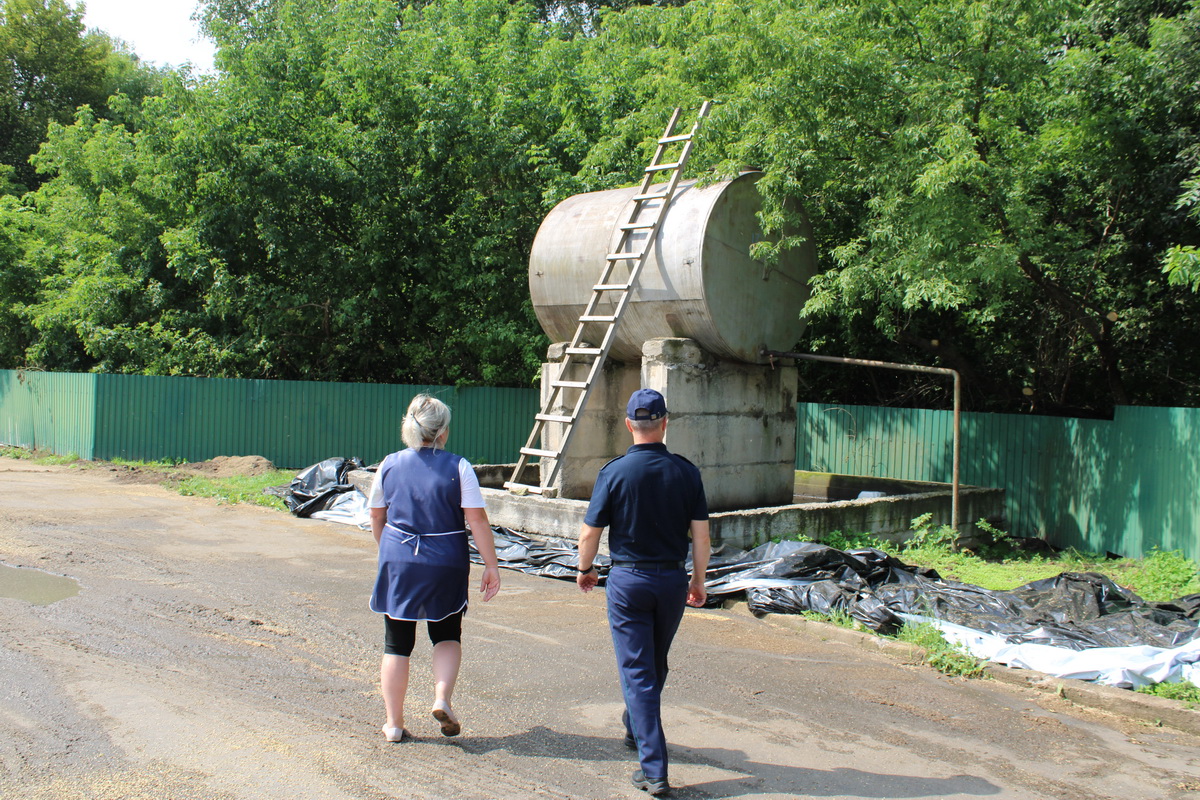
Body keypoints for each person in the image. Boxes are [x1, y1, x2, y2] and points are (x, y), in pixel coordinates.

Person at [576, 388, 711, 797]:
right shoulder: (686, 472)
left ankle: (654, 771)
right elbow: (701, 537)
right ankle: (637, 728)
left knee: (640, 671)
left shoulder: (614, 473)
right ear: (665, 423)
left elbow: (589, 533)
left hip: (628, 583)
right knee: (654, 664)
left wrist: (585, 570)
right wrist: (698, 579)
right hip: (671, 581)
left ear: (629, 424)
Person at [368, 394, 501, 742]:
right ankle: (441, 698)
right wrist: (492, 565)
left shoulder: (388, 464)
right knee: (446, 634)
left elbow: (376, 516)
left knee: (396, 642)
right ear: (443, 431)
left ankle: (393, 724)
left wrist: (389, 553)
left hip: (399, 559)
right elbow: (478, 520)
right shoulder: (459, 466)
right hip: (445, 562)